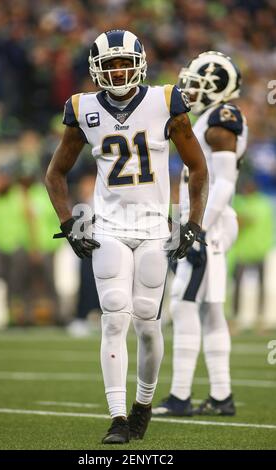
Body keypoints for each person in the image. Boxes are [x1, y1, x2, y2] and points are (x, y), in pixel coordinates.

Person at [45, 30, 208, 444]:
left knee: (148, 324)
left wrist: (194, 223)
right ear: (97, 68)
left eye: (124, 62)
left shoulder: (165, 100)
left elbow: (198, 168)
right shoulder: (82, 108)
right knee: (115, 314)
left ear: (139, 63)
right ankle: (117, 418)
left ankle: (143, 404)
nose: (118, 70)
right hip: (109, 226)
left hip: (155, 227)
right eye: (110, 64)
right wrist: (68, 223)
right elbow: (55, 173)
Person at [153, 51, 248, 417]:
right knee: (210, 311)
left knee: (183, 304)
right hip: (207, 224)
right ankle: (221, 396)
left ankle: (179, 396)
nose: (189, 87)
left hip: (208, 226)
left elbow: (224, 182)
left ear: (215, 86)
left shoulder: (222, 118)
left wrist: (198, 228)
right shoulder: (210, 117)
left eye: (196, 81)